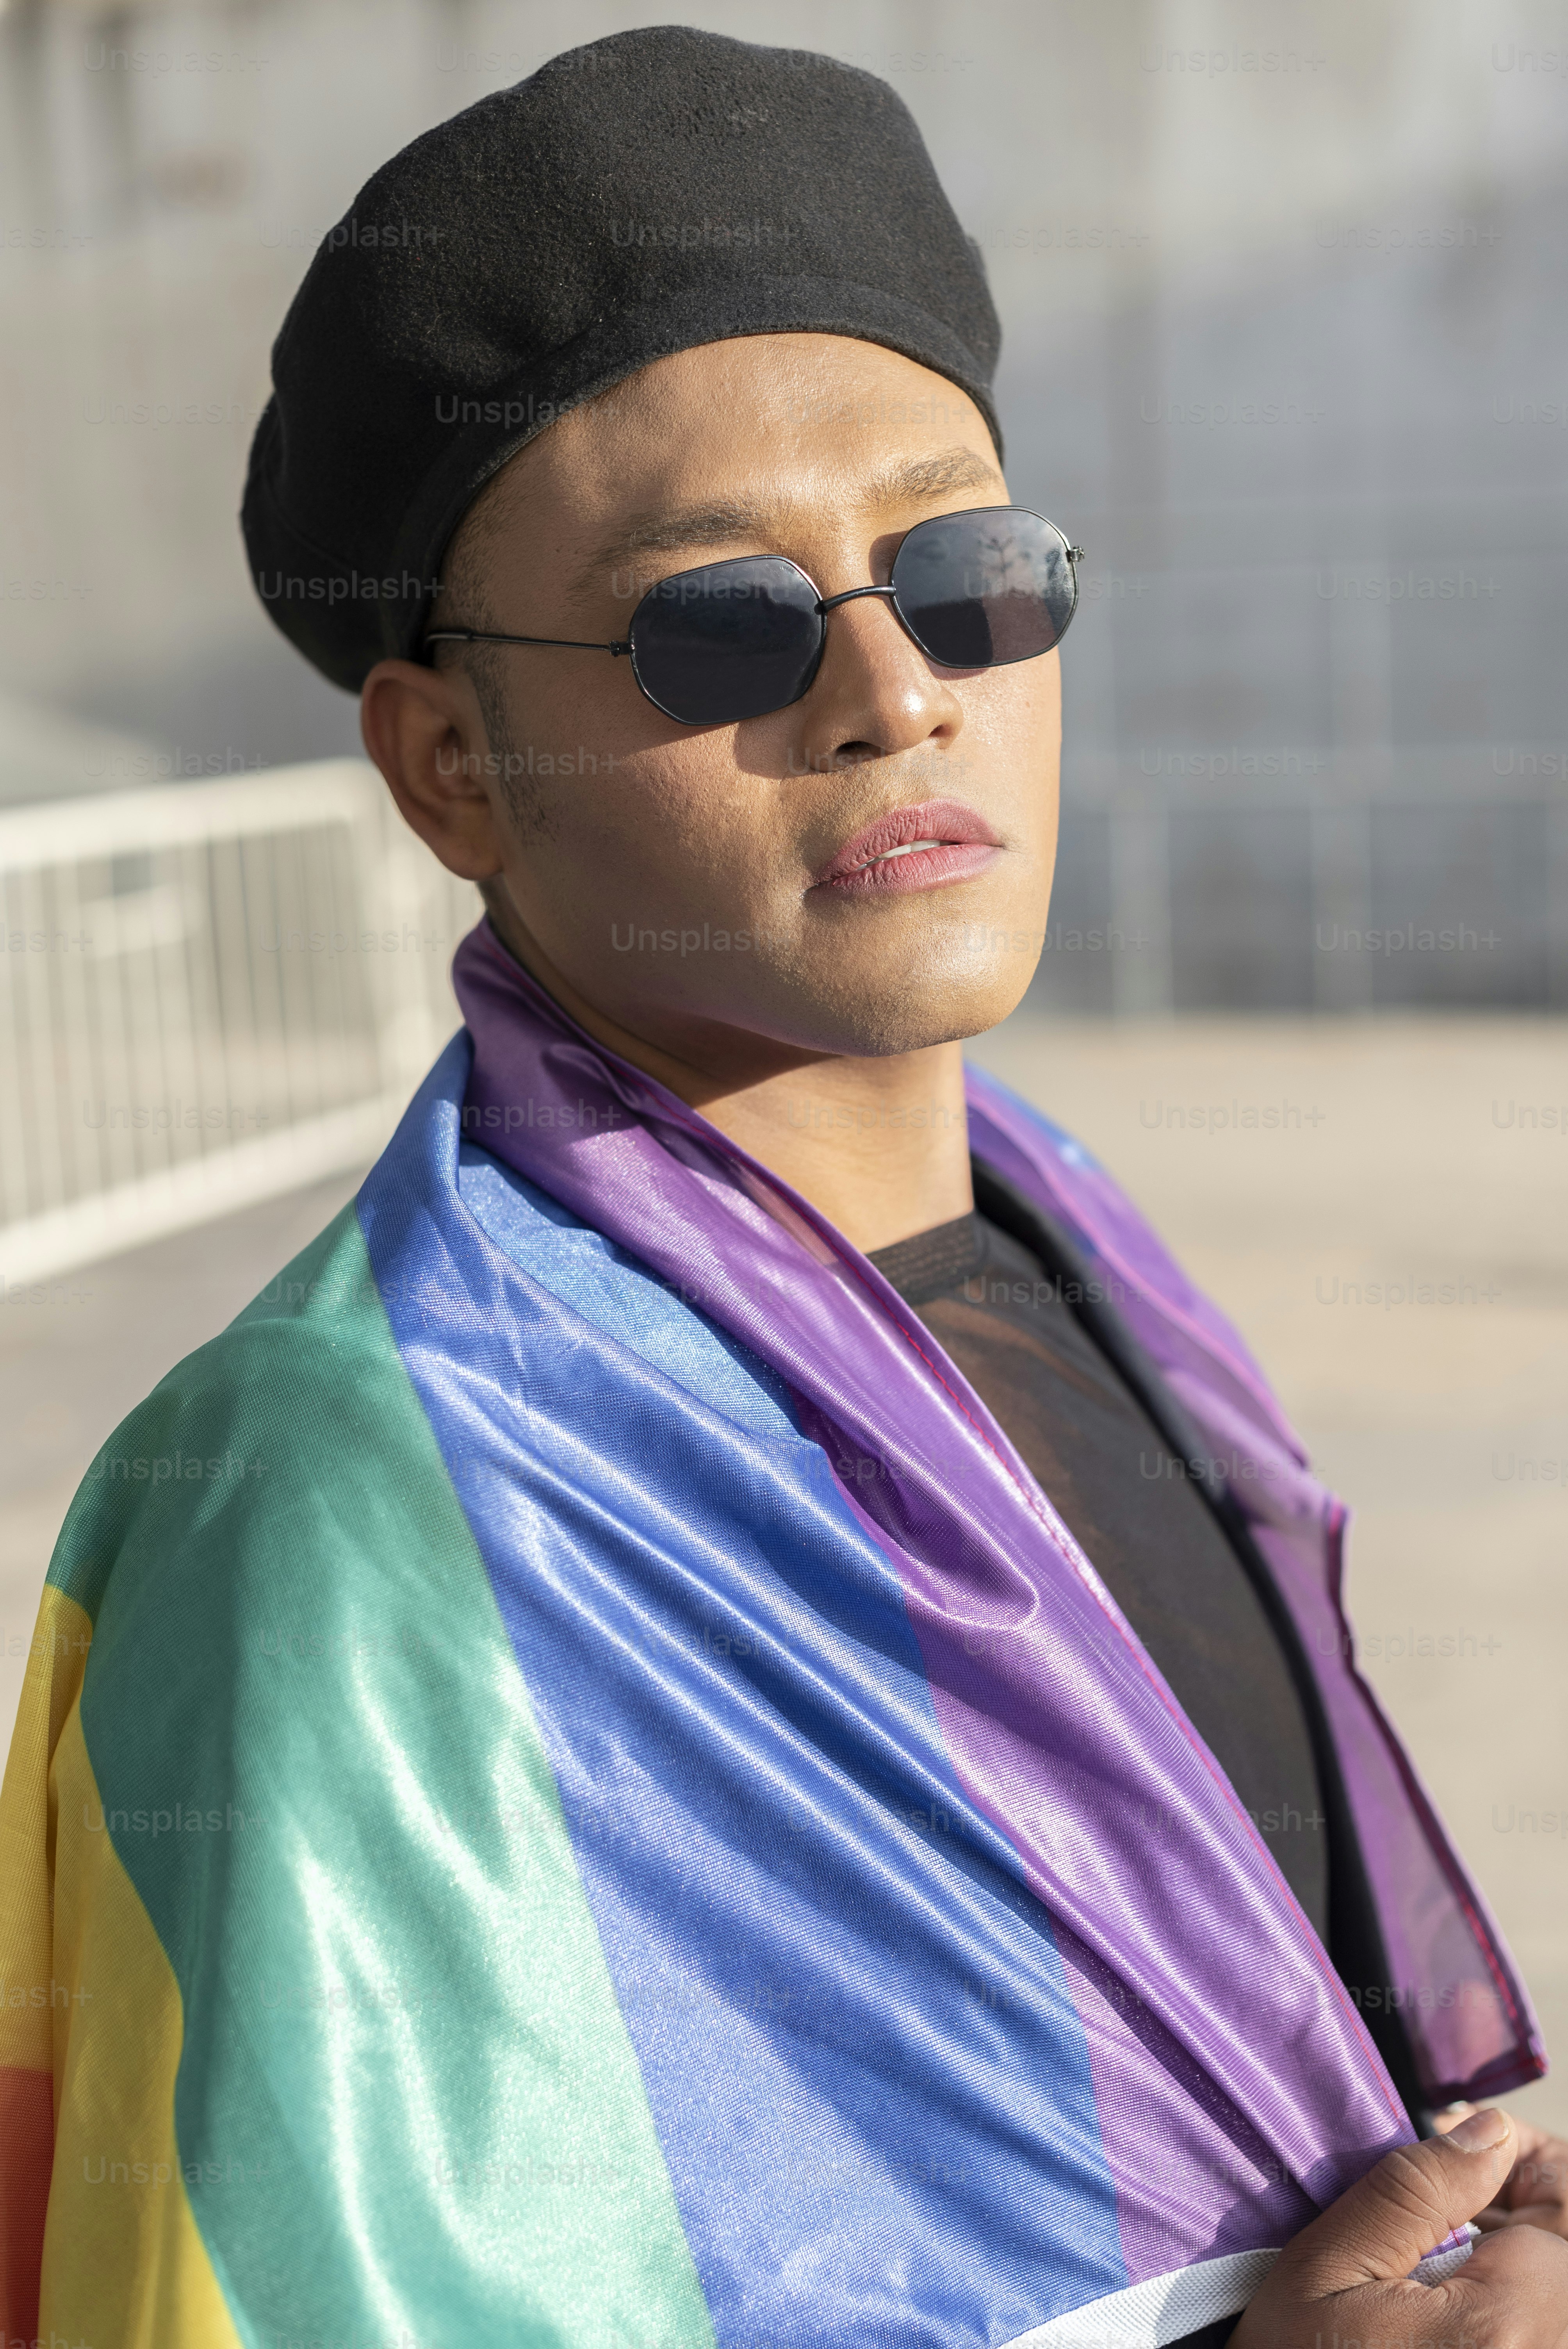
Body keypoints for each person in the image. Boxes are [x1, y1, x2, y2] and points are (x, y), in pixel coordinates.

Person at [1, 27, 1564, 2349]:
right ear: (450, 764)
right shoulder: (350, 1497)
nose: (895, 690)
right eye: (716, 620)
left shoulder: (1065, 1236)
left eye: (967, 570)